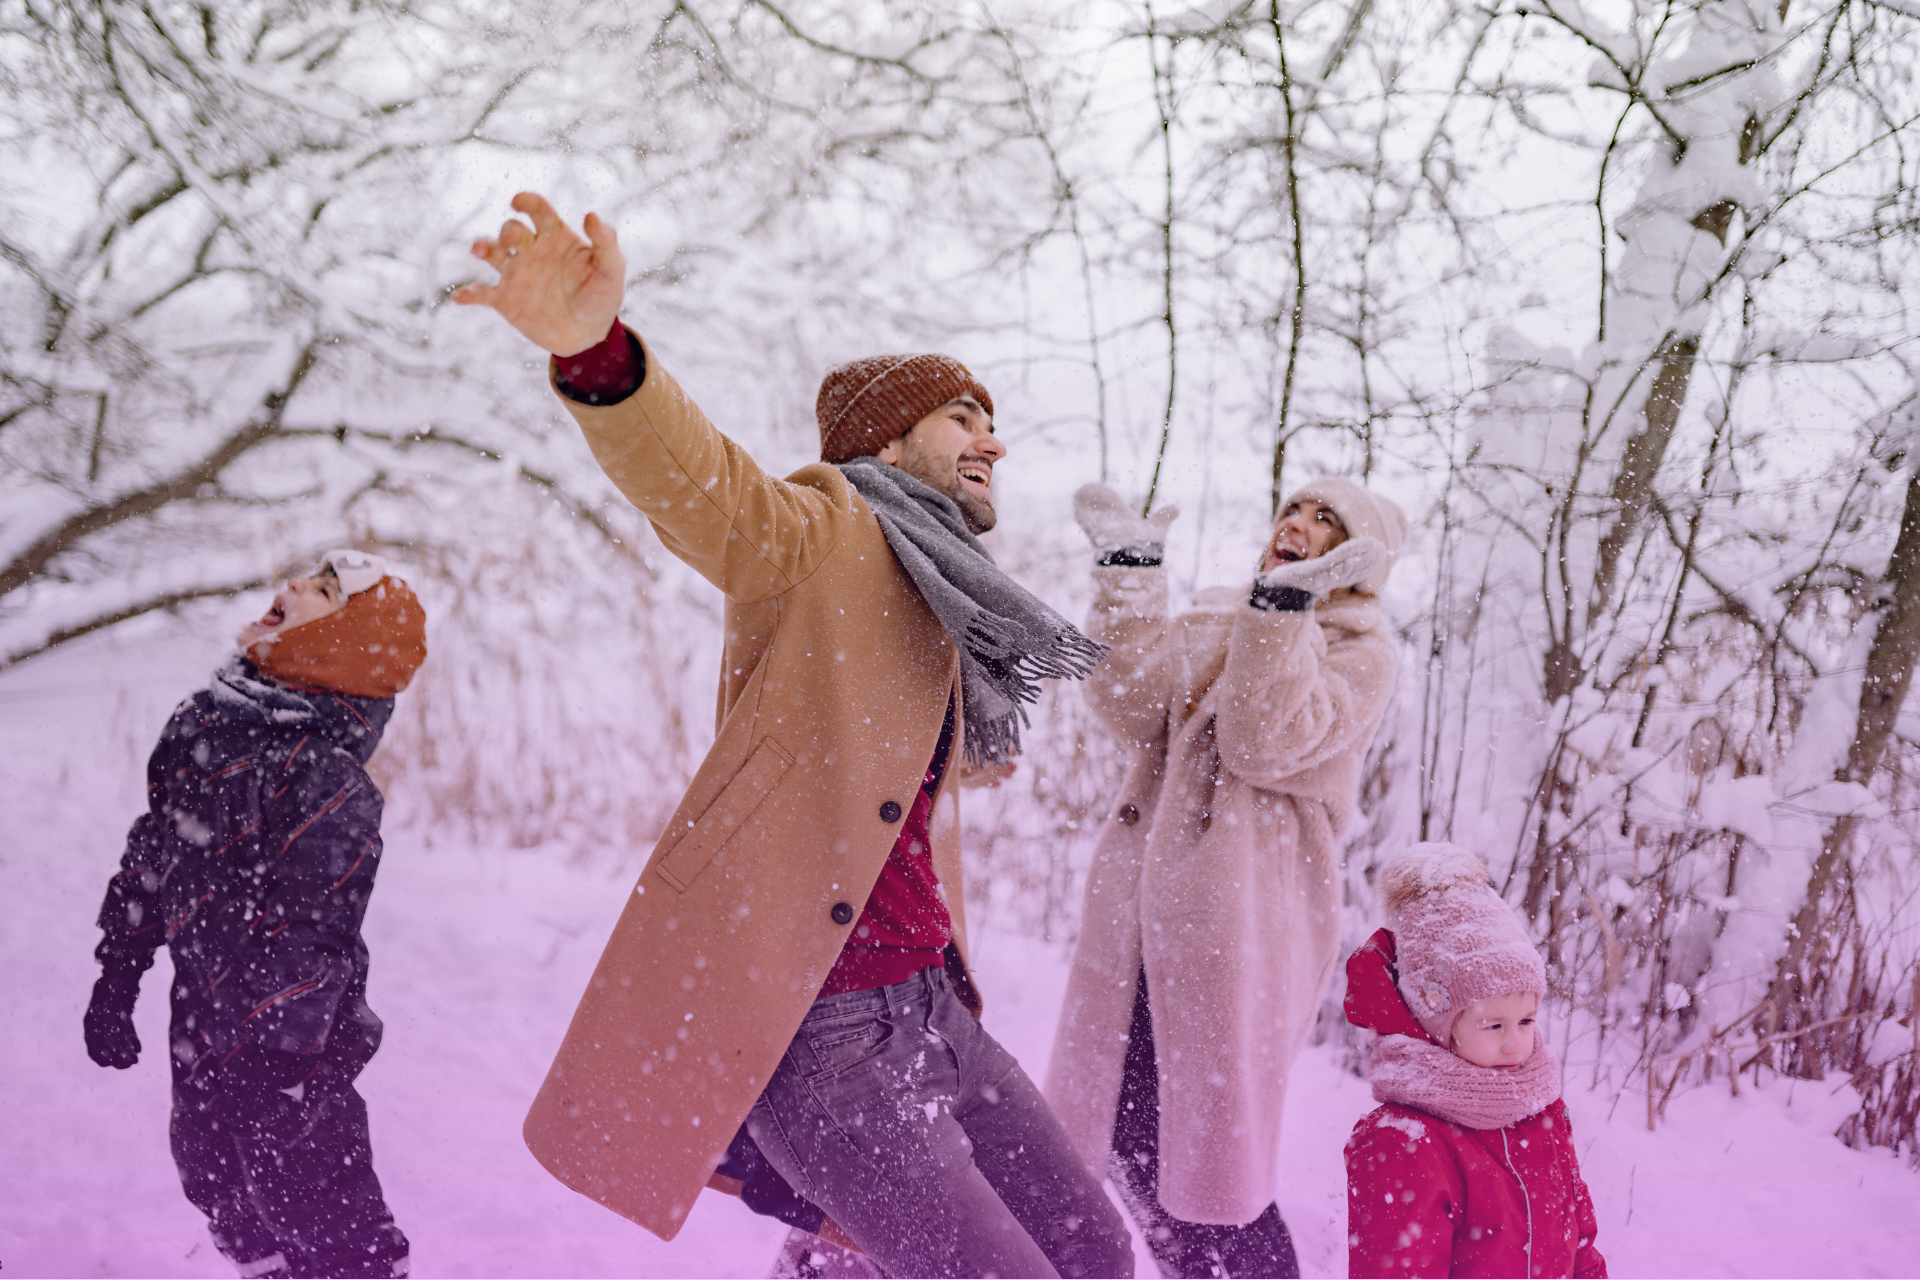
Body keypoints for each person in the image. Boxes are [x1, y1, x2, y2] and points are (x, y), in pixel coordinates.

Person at [452, 192, 1132, 1279]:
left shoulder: (944, 589)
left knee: (1096, 1247)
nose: (991, 438)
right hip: (830, 1031)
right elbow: (704, 488)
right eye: (962, 416)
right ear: (887, 438)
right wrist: (599, 356)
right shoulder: (822, 531)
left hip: (933, 1006)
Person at [1045, 477, 1406, 1278]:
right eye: (1295, 509)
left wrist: (1282, 615)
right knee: (1125, 1138)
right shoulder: (1218, 610)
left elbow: (1259, 740)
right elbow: (1130, 702)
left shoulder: (1360, 652)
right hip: (1140, 921)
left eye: (1328, 523)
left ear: (1360, 563)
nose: (1299, 525)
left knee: (1207, 1166)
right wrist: (1130, 574)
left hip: (1239, 927)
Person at [84, 550, 428, 1279]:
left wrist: (278, 1061)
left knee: (316, 1193)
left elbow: (313, 932)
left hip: (289, 1045)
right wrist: (120, 968)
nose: (295, 583)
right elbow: (158, 848)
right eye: (308, 575)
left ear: (342, 644)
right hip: (203, 1011)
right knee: (215, 1177)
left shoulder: (327, 780)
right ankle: (265, 1269)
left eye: (325, 591)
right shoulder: (204, 725)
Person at [1342, 842, 1607, 1278]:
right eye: (1493, 1026)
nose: (1514, 1044)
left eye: (1525, 1021)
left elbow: (1580, 1239)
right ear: (1437, 1026)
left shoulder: (1541, 1112)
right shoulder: (1405, 1140)